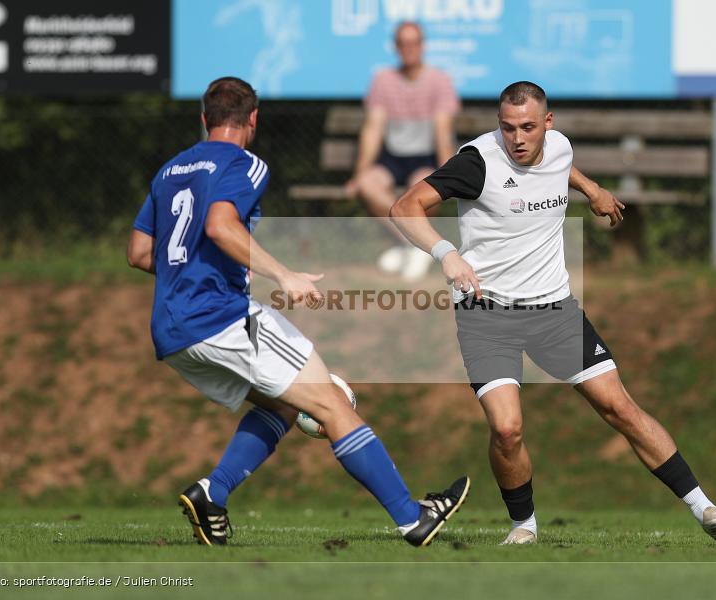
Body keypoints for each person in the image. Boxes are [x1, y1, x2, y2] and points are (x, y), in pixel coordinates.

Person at [389, 81, 716, 545]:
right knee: (507, 429)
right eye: (507, 127)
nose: (517, 138)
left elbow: (560, 166)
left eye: (528, 128)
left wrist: (591, 188)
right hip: (487, 314)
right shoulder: (476, 163)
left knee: (620, 408)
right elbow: (404, 207)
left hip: (553, 309)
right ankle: (524, 526)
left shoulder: (558, 148)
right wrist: (445, 254)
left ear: (548, 124)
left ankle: (707, 511)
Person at [127, 76, 469, 547]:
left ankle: (213, 492)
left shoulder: (169, 171)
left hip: (171, 329)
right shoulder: (245, 163)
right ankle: (413, 518)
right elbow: (221, 226)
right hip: (221, 317)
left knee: (285, 404)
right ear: (253, 120)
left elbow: (141, 253)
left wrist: (188, 278)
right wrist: (282, 275)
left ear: (204, 119)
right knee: (330, 402)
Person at [345, 21, 460, 281]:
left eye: (414, 42)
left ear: (423, 45)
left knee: (420, 187)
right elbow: (373, 129)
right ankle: (416, 245)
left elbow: (443, 134)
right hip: (392, 157)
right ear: (396, 47)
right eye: (403, 43)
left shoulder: (440, 81)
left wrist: (449, 176)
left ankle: (411, 247)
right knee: (368, 184)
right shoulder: (382, 80)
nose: (409, 48)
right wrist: (359, 174)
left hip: (425, 156)